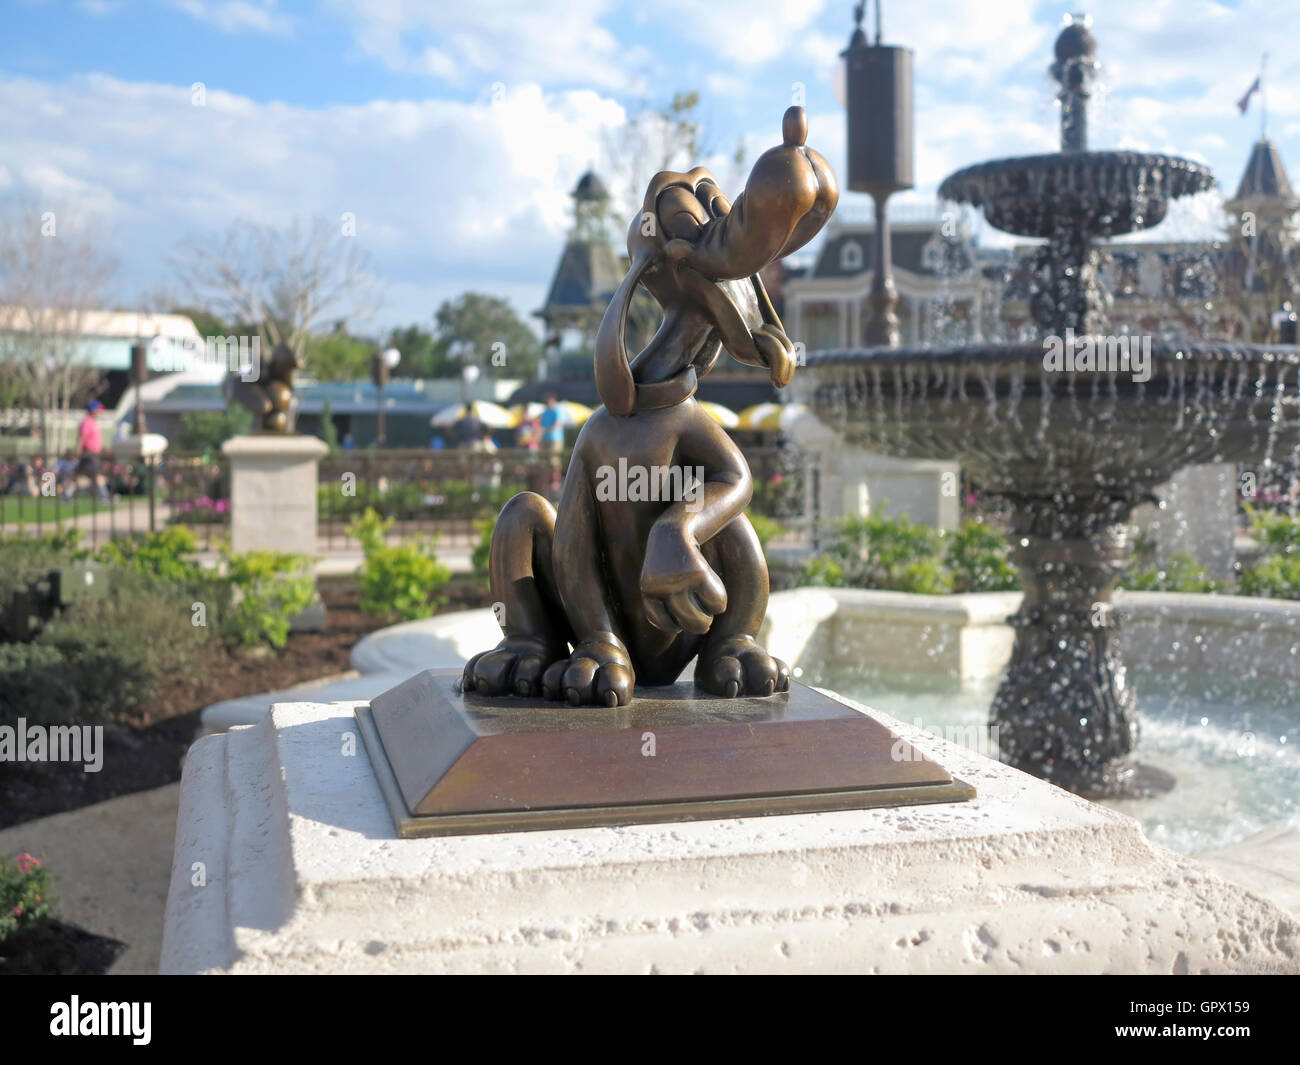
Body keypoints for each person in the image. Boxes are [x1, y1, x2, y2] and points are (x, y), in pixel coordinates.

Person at [68, 400, 110, 501]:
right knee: (96, 475)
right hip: (89, 453)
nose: (100, 412)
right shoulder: (87, 422)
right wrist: (78, 451)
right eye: (98, 410)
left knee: (78, 475)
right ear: (93, 410)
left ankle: (66, 494)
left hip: (93, 453)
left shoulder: (92, 422)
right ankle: (105, 496)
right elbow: (82, 438)